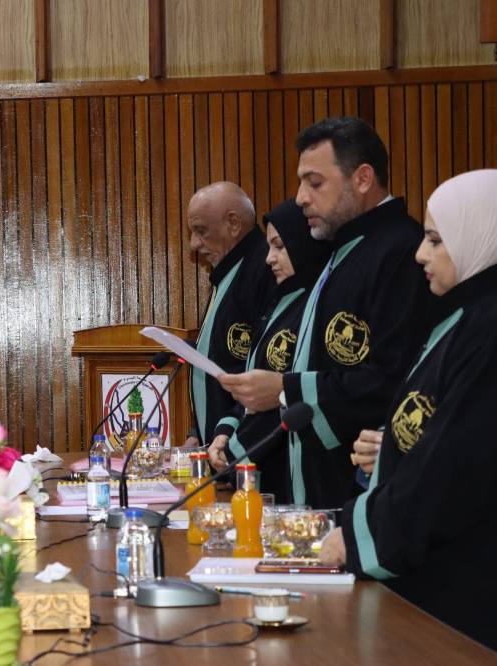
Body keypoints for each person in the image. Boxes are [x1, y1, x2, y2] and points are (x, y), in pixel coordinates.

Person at [321, 170, 497, 650]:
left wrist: (357, 539)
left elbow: (455, 465)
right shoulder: (463, 317)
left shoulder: (486, 328)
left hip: (465, 594)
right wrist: (396, 449)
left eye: (436, 240)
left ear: (480, 238)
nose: (420, 254)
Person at [219, 117, 432, 509]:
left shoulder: (402, 250)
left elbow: (395, 379)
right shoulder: (346, 249)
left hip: (365, 489)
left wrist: (284, 389)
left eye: (314, 183)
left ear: (363, 178)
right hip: (321, 483)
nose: (300, 197)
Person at [208, 199, 331, 502]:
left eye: (279, 246)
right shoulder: (281, 301)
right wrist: (225, 431)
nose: (269, 258)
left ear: (303, 243)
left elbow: (286, 395)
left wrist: (234, 449)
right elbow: (255, 389)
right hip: (260, 465)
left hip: (295, 473)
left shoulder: (318, 305)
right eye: (269, 247)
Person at [184, 182, 276, 449]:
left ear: (233, 223)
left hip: (245, 446)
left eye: (201, 231)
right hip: (220, 442)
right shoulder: (229, 269)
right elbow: (222, 357)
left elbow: (265, 368)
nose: (194, 244)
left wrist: (227, 430)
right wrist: (198, 431)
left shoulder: (264, 268)